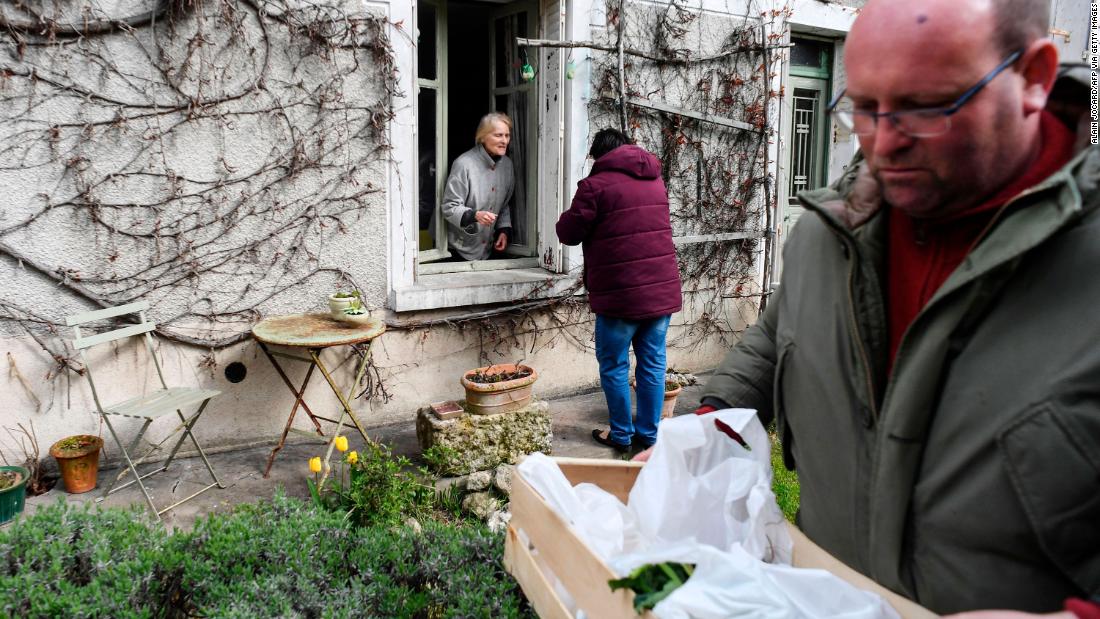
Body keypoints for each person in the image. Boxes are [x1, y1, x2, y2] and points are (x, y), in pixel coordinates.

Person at [637, 0, 1099, 616]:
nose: (883, 142)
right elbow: (782, 333)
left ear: (1034, 77)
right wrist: (711, 419)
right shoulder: (831, 229)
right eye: (863, 106)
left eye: (927, 107)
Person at [556, 128, 682, 453]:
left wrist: (564, 218)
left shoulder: (595, 186)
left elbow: (569, 233)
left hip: (620, 296)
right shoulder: (654, 180)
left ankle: (622, 436)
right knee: (653, 363)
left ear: (599, 155)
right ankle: (649, 438)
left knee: (614, 364)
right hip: (660, 291)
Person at [440, 112, 514, 261]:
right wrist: (474, 215)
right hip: (457, 250)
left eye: (507, 135)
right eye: (498, 135)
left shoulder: (507, 165)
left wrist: (503, 231)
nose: (504, 141)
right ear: (482, 137)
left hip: (487, 250)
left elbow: (504, 205)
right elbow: (449, 207)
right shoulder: (464, 164)